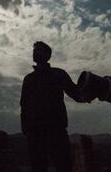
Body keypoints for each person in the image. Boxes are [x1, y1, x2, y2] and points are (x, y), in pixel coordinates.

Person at [20, 41, 87, 172]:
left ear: (47, 55)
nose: (35, 52)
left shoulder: (59, 74)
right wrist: (25, 128)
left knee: (63, 165)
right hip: (35, 132)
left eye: (39, 50)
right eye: (34, 50)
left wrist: (90, 92)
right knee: (38, 167)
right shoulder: (28, 79)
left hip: (56, 129)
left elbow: (75, 93)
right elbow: (24, 105)